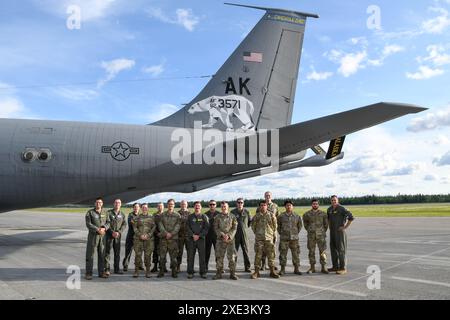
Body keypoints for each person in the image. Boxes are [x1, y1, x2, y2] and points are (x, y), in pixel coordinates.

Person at [251, 201, 279, 279]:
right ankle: (256, 272)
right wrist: (258, 233)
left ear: (267, 206)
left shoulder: (271, 215)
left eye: (264, 205)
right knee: (258, 255)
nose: (263, 206)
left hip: (269, 238)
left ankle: (272, 271)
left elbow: (275, 226)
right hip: (259, 239)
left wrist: (271, 234)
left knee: (271, 255)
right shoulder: (256, 216)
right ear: (259, 207)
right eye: (261, 205)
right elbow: (253, 226)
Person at [327, 195, 355, 275]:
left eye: (335, 200)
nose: (333, 202)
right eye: (332, 200)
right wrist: (330, 227)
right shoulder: (329, 209)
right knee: (333, 250)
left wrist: (345, 227)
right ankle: (335, 266)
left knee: (341, 250)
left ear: (337, 200)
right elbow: (328, 219)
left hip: (340, 232)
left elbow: (351, 217)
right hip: (332, 232)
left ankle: (343, 268)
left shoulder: (342, 208)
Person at [85, 197, 109, 280]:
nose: (98, 204)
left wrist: (104, 228)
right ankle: (88, 273)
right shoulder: (90, 212)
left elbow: (108, 222)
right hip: (93, 236)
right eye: (97, 202)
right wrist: (97, 229)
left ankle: (101, 273)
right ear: (95, 203)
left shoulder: (105, 212)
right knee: (90, 255)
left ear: (102, 204)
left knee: (102, 255)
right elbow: (88, 224)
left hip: (102, 237)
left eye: (100, 202)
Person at [303, 199, 329, 274]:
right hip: (311, 236)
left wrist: (322, 231)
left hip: (321, 236)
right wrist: (310, 230)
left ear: (318, 205)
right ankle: (312, 267)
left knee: (322, 251)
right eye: (313, 204)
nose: (315, 205)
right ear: (311, 205)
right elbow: (305, 224)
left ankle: (323, 267)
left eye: (316, 204)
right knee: (311, 251)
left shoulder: (323, 214)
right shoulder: (307, 214)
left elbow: (326, 224)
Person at [213, 202, 238, 280]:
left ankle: (232, 273)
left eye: (225, 206)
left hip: (230, 240)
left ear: (228, 207)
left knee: (232, 257)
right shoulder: (217, 217)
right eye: (222, 206)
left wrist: (229, 235)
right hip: (220, 240)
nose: (224, 208)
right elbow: (215, 227)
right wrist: (222, 234)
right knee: (219, 257)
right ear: (221, 207)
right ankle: (219, 273)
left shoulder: (232, 216)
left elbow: (234, 227)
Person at [277, 200, 302, 276]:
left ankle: (296, 269)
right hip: (284, 239)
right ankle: (282, 269)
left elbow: (299, 226)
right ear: (285, 207)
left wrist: (295, 233)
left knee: (296, 254)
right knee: (283, 254)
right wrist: (282, 233)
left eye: (290, 205)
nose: (289, 206)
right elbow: (278, 226)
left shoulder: (297, 216)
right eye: (287, 205)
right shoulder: (281, 216)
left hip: (294, 239)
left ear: (292, 206)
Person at [158, 199, 181, 278]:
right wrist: (166, 233)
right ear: (167, 205)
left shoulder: (177, 215)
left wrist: (171, 234)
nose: (170, 205)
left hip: (173, 239)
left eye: (172, 204)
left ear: (174, 205)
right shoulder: (162, 215)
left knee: (173, 257)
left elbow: (178, 226)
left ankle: (174, 272)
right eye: (169, 204)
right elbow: (160, 225)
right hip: (164, 239)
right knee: (162, 257)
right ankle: (161, 271)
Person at [186, 201, 209, 279]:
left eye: (199, 206)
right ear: (194, 207)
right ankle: (190, 272)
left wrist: (199, 235)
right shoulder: (190, 217)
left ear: (201, 207)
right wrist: (192, 235)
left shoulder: (204, 217)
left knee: (202, 256)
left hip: (201, 239)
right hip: (191, 239)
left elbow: (206, 228)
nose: (197, 207)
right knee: (190, 256)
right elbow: (187, 227)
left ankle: (202, 272)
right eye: (196, 206)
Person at [256, 191, 279, 270]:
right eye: (266, 195)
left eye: (269, 195)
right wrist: (257, 231)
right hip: (261, 231)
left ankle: (272, 264)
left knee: (272, 248)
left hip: (272, 231)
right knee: (262, 249)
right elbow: (256, 219)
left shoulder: (275, 206)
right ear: (264, 196)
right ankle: (263, 265)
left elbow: (277, 218)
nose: (268, 197)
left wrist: (274, 231)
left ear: (271, 196)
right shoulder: (260, 206)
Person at [132, 203, 156, 278]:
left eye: (146, 207)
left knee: (148, 256)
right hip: (138, 239)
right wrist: (140, 235)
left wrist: (148, 235)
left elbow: (154, 227)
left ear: (148, 208)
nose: (144, 208)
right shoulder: (137, 218)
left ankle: (148, 271)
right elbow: (134, 228)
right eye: (143, 207)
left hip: (149, 240)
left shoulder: (152, 217)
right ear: (141, 208)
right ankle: (136, 271)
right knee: (138, 255)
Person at [104, 199, 127, 275]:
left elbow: (124, 224)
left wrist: (119, 232)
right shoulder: (108, 213)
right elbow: (107, 223)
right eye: (116, 202)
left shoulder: (122, 214)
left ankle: (116, 269)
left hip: (117, 237)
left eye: (119, 203)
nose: (117, 204)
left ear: (121, 204)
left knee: (117, 253)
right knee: (107, 253)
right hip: (109, 236)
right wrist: (112, 232)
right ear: (113, 204)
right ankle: (107, 269)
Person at [231, 198, 252, 272]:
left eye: (241, 202)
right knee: (234, 251)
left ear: (243, 204)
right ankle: (233, 267)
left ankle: (247, 267)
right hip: (235, 235)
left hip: (244, 234)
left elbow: (249, 222)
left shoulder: (247, 212)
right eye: (238, 202)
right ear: (236, 203)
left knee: (246, 251)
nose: (240, 204)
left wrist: (244, 228)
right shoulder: (232, 212)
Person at [122, 203, 140, 272]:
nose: (136, 208)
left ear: (139, 208)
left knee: (138, 252)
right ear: (133, 208)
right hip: (130, 236)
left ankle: (139, 265)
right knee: (128, 252)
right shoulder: (130, 215)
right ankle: (125, 265)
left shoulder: (140, 215)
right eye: (135, 207)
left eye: (137, 207)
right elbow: (132, 223)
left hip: (137, 237)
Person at [151, 202, 167, 273]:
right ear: (157, 207)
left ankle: (163, 266)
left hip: (164, 236)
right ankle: (155, 266)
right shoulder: (154, 215)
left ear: (163, 207)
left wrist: (164, 234)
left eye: (161, 206)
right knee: (155, 251)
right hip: (156, 235)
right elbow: (152, 225)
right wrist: (157, 233)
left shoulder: (166, 214)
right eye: (159, 206)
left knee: (164, 251)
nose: (160, 207)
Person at [205, 200, 219, 273]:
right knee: (207, 252)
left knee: (218, 253)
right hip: (208, 236)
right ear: (209, 205)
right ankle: (205, 267)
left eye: (213, 204)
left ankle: (219, 267)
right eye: (211, 204)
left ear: (215, 205)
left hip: (217, 236)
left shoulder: (219, 214)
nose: (212, 205)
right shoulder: (205, 214)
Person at [177, 200, 191, 272]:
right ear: (180, 205)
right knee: (179, 252)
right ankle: (178, 267)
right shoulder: (177, 213)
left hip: (188, 236)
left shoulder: (190, 214)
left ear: (187, 205)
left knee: (189, 252)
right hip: (180, 236)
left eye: (185, 204)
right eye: (182, 204)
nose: (183, 205)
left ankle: (189, 267)